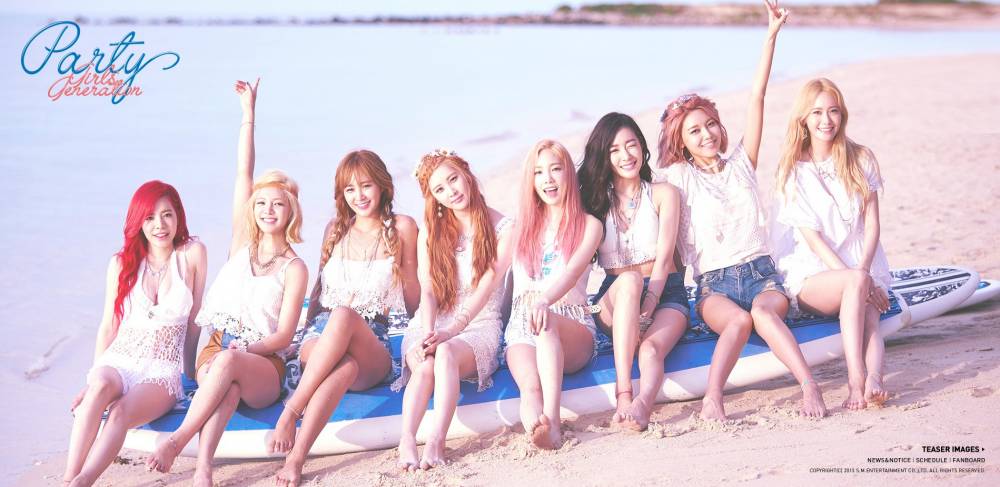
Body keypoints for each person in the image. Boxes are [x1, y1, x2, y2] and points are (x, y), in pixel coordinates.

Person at [658, 0, 828, 420]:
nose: (706, 134)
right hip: (714, 286)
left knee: (763, 314)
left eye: (710, 124)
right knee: (737, 322)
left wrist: (770, 35)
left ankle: (809, 386)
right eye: (694, 131)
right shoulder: (678, 178)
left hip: (761, 274)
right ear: (682, 142)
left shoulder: (741, 164)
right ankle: (712, 398)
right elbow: (637, 184)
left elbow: (757, 96)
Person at [145, 78, 308, 486]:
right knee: (227, 383)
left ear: (291, 211)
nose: (268, 210)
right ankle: (203, 468)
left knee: (231, 365)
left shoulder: (295, 268)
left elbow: (285, 335)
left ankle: (177, 440)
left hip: (265, 364)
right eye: (262, 203)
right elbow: (242, 172)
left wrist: (246, 349)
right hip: (216, 350)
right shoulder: (241, 244)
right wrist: (248, 114)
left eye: (278, 204)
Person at [270, 150, 419, 486]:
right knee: (344, 364)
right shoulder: (335, 229)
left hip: (371, 344)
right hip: (319, 337)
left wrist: (423, 334)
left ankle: (291, 411)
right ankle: (296, 458)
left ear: (382, 185)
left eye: (366, 186)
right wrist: (296, 341)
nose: (359, 196)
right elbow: (318, 290)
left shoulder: (402, 227)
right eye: (350, 189)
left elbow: (412, 288)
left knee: (344, 319)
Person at [64, 181, 207, 487]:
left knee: (120, 413)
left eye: (167, 215)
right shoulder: (121, 263)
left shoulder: (192, 254)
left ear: (178, 216)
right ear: (138, 222)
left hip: (161, 370)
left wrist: (190, 374)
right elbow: (109, 325)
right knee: (99, 389)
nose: (160, 225)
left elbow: (194, 322)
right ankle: (67, 480)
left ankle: (82, 481)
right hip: (121, 358)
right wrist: (90, 382)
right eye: (149, 217)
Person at [773, 77, 892, 410]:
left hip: (861, 260)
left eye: (833, 111)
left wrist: (864, 273)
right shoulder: (792, 171)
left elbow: (872, 224)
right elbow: (812, 240)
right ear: (803, 119)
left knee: (871, 318)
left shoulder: (862, 158)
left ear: (842, 115)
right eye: (817, 112)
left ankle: (875, 380)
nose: (826, 120)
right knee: (855, 286)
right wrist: (857, 279)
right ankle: (855, 381)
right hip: (815, 273)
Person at [393, 149, 513, 470]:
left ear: (466, 173)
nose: (451, 191)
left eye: (453, 179)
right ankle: (407, 440)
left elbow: (487, 286)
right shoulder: (431, 230)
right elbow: (428, 289)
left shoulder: (504, 228)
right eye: (440, 189)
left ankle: (436, 442)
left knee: (445, 353)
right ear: (433, 198)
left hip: (479, 324)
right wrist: (428, 333)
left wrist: (451, 331)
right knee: (425, 365)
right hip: (431, 321)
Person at [578, 113, 689, 431]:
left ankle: (642, 405)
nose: (626, 155)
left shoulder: (664, 193)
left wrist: (651, 303)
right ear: (604, 156)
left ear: (642, 147)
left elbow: (665, 258)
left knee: (652, 349)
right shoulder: (593, 202)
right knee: (628, 280)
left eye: (631, 145)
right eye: (614, 149)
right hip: (613, 297)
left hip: (665, 291)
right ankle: (624, 394)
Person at [506, 140, 602, 449]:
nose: (547, 179)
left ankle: (554, 421)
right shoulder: (520, 229)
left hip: (570, 323)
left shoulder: (589, 225)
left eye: (555, 169)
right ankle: (537, 429)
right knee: (529, 387)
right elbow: (492, 280)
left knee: (546, 323)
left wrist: (544, 301)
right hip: (522, 325)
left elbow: (572, 273)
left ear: (568, 174)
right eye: (538, 172)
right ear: (531, 181)